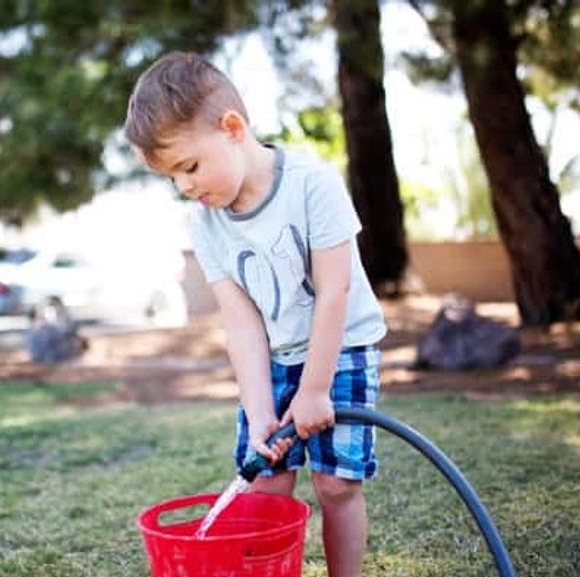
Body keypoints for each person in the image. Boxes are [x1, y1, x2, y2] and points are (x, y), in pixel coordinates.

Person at [124, 52, 387, 577]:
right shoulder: (207, 224)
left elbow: (334, 293)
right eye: (172, 177)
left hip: (342, 348)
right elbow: (242, 327)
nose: (185, 187)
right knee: (265, 485)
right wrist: (260, 410)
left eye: (190, 167)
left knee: (336, 484)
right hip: (271, 359)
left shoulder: (313, 183)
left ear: (233, 128)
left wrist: (315, 389)